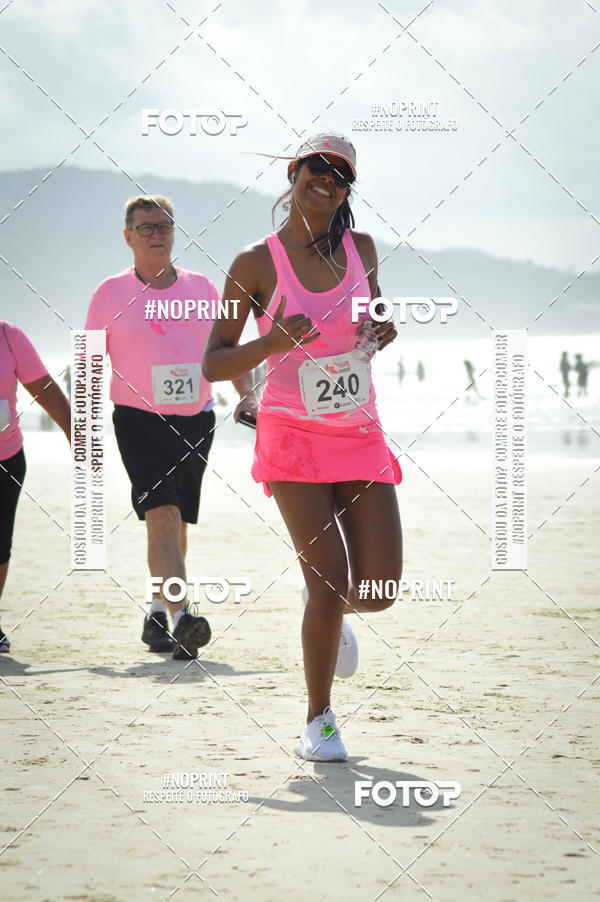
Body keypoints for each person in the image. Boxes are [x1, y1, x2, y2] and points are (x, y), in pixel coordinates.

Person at [203, 134, 402, 762]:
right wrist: (271, 344)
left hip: (358, 431)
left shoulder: (361, 249)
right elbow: (213, 362)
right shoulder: (255, 263)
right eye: (319, 168)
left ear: (347, 191)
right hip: (291, 436)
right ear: (294, 173)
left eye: (341, 176)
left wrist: (377, 332)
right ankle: (318, 722)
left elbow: (357, 332)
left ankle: (329, 622)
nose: (328, 181)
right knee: (327, 584)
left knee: (379, 589)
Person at [85, 195, 257, 660]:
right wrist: (82, 428)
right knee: (162, 515)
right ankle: (185, 619)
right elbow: (88, 363)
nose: (157, 234)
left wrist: (247, 394)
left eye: (164, 226)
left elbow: (230, 347)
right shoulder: (109, 294)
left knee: (174, 523)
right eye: (146, 228)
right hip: (138, 421)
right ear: (128, 237)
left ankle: (158, 612)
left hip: (196, 419)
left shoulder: (201, 287)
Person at [0, 322, 71, 653]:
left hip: (6, 458)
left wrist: (76, 435)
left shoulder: (9, 337)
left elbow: (44, 390)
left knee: (0, 544)